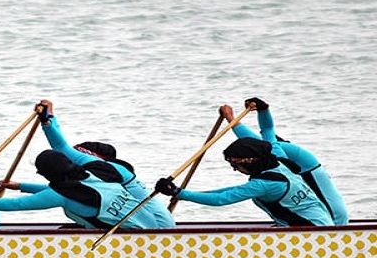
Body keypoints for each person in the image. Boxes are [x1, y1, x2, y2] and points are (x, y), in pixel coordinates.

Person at [33, 99, 175, 228]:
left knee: (75, 207)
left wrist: (48, 120)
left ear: (92, 155)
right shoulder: (100, 170)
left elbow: (61, 150)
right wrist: (47, 119)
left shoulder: (107, 170)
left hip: (157, 226)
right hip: (145, 223)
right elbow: (62, 151)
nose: (72, 161)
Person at [0, 149, 157, 229]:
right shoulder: (90, 175)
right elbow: (55, 193)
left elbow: (15, 205)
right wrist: (21, 186)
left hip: (135, 237)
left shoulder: (60, 194)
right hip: (154, 226)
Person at [220, 97, 348, 224]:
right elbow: (263, 132)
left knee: (337, 217)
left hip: (308, 169)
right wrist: (261, 110)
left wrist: (231, 119)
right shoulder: (270, 149)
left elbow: (258, 137)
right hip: (297, 167)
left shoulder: (274, 150)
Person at [154, 137, 334, 226]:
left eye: (235, 164)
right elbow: (269, 133)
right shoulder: (277, 161)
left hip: (312, 230)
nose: (234, 169)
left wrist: (178, 193)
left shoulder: (264, 184)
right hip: (323, 224)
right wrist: (263, 110)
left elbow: (221, 199)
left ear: (251, 161)